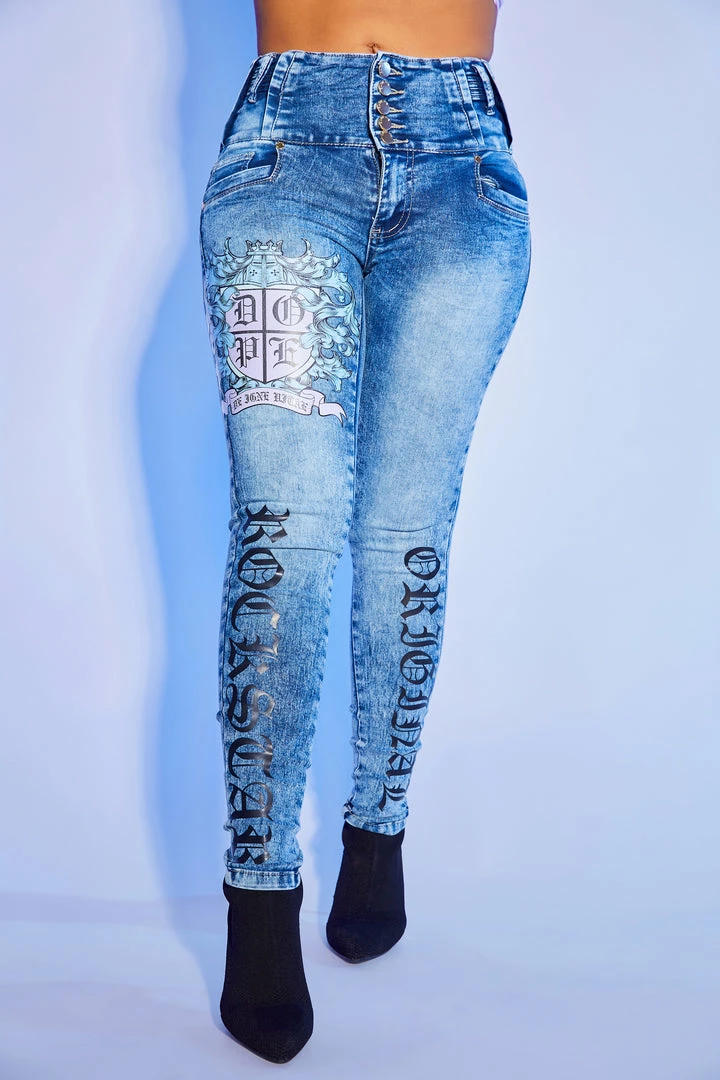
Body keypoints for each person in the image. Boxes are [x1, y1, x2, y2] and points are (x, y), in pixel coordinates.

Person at [199, 0, 529, 1063]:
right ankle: (260, 894)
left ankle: (378, 830)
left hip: (464, 167)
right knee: (284, 528)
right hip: (289, 152)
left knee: (407, 531)